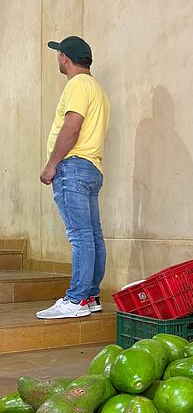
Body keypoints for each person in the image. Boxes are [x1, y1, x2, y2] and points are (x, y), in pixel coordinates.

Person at [36, 36, 111, 319]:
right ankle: (90, 296)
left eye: (58, 54)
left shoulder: (77, 85)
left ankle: (76, 299)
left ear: (65, 58)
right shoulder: (98, 91)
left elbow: (72, 127)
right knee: (92, 236)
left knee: (80, 237)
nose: (58, 58)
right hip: (92, 168)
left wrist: (51, 164)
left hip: (73, 167)